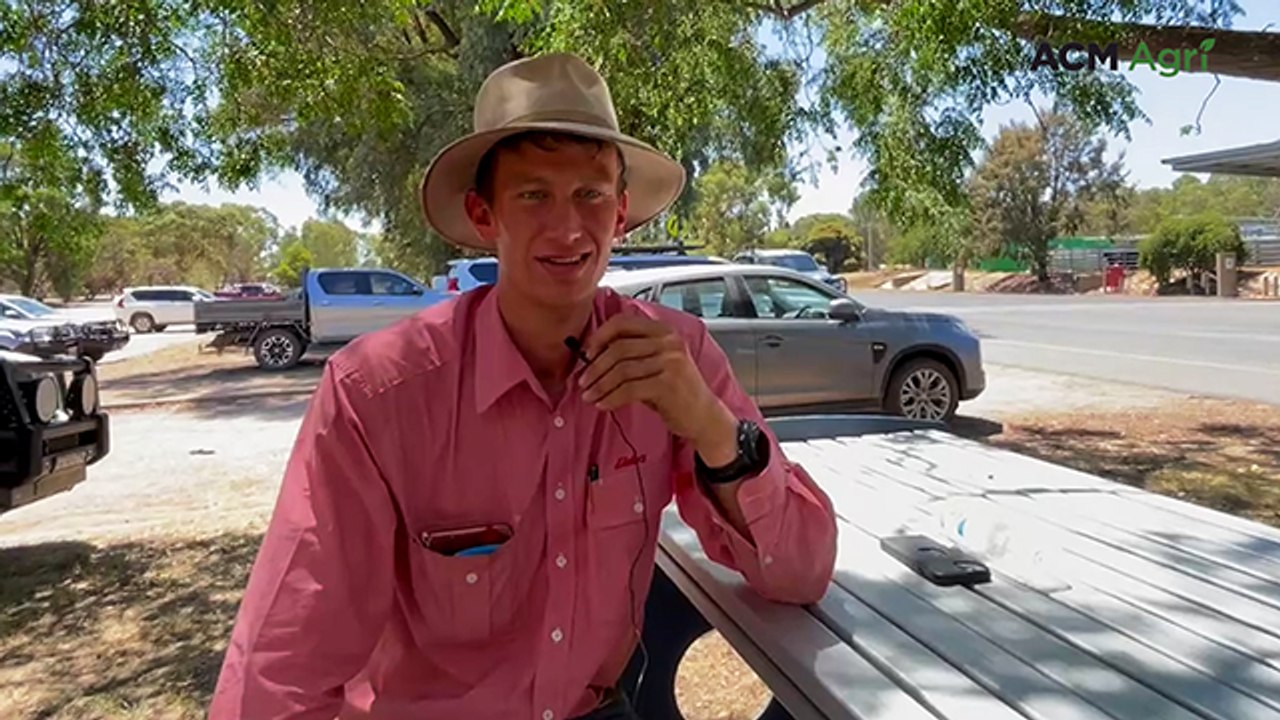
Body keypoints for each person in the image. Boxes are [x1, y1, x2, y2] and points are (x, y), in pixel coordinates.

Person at [208, 52, 838, 720]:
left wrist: (712, 427)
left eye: (590, 195)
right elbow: (284, 661)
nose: (568, 229)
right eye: (534, 195)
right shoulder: (380, 393)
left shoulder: (675, 359)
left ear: (621, 214)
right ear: (484, 215)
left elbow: (801, 572)